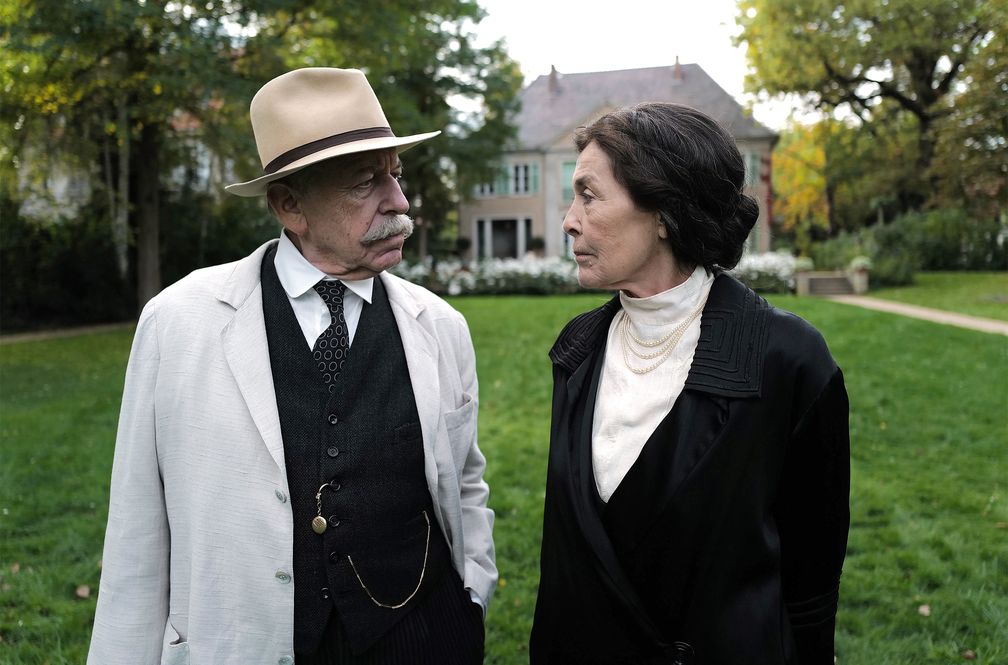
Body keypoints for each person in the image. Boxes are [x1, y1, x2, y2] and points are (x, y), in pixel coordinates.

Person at [88, 67, 494, 665]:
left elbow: (462, 481)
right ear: (289, 205)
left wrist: (472, 592)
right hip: (252, 642)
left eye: (395, 176)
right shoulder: (179, 322)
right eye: (366, 183)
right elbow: (138, 523)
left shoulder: (441, 327)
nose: (399, 203)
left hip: (422, 640)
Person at [529, 103, 850, 665]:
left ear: (664, 211)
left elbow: (812, 582)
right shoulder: (578, 349)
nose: (569, 220)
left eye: (589, 194)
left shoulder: (788, 361)